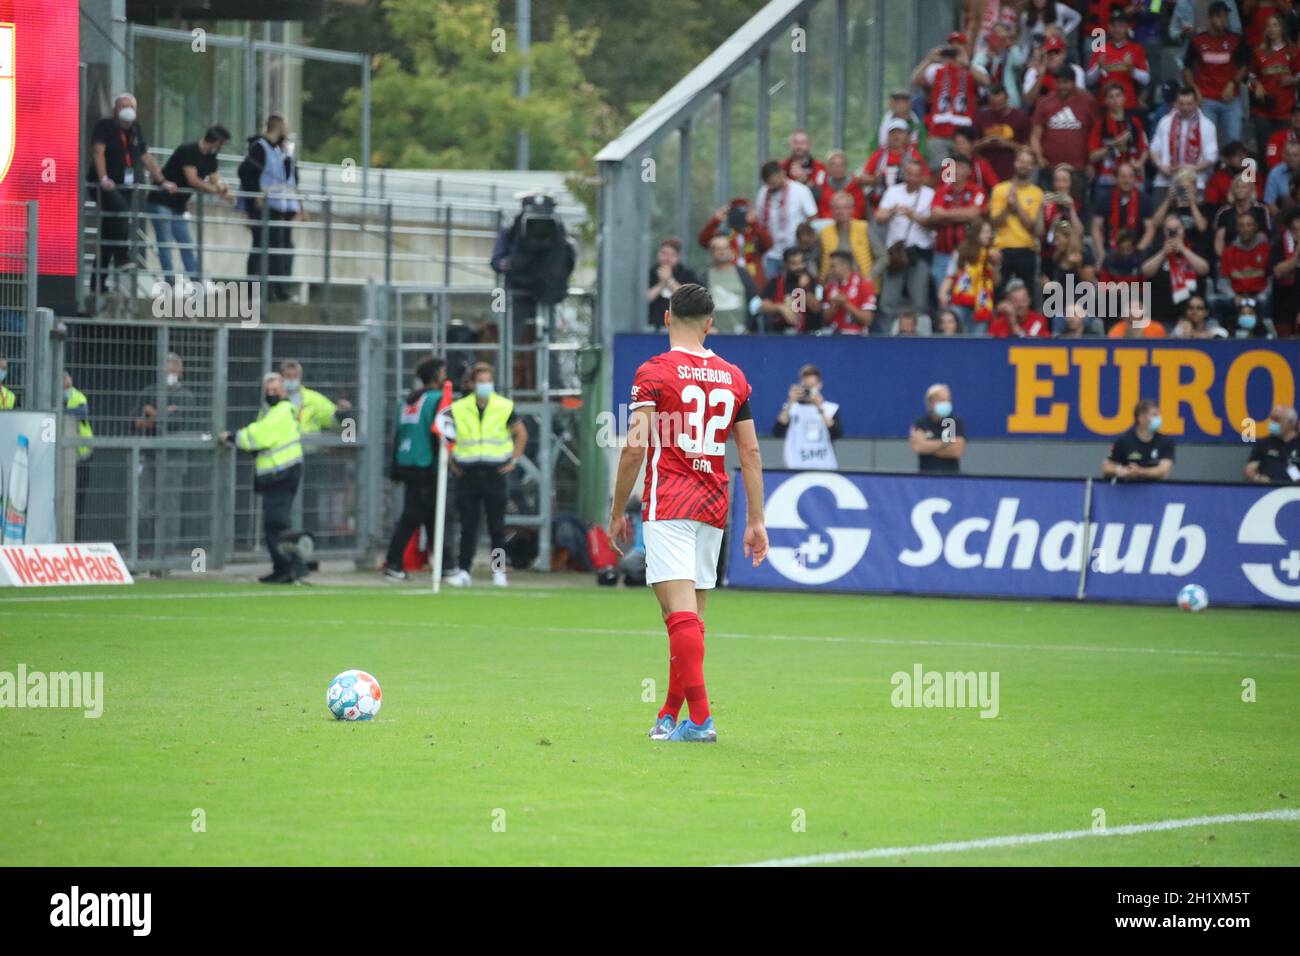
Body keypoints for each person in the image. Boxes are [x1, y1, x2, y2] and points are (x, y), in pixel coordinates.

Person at [607, 283, 768, 744]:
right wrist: (755, 520)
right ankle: (668, 714)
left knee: (679, 616)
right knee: (688, 619)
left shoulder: (654, 371)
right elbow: (751, 452)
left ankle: (700, 721)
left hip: (671, 501)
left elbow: (636, 446)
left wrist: (618, 510)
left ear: (666, 317)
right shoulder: (734, 376)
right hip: (713, 503)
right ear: (710, 324)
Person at [441, 363, 528, 588]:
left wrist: (514, 461)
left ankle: (498, 572)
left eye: (488, 381)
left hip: (494, 473)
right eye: (481, 381)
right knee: (468, 527)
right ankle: (464, 570)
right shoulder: (459, 407)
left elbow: (521, 434)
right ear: (471, 383)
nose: (485, 386)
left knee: (496, 527)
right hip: (467, 473)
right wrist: (451, 462)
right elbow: (446, 437)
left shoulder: (503, 406)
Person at [221, 372, 306, 583]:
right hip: (277, 474)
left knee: (276, 523)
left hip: (281, 473)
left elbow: (258, 436)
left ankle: (291, 566)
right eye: (268, 391)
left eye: (275, 390)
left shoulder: (281, 411)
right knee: (276, 523)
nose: (271, 394)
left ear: (284, 391)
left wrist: (232, 437)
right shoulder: (275, 412)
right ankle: (285, 567)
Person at [86, 93, 176, 291]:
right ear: (115, 109)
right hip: (105, 186)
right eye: (123, 106)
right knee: (121, 213)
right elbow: (98, 152)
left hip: (125, 187)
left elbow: (146, 157)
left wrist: (161, 180)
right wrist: (103, 178)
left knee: (109, 235)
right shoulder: (105, 126)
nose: (127, 109)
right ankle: (122, 256)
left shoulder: (136, 130)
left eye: (130, 106)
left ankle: (97, 284)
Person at [384, 357, 450, 581]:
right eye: (443, 372)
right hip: (425, 464)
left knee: (432, 516)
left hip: (407, 462)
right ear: (435, 376)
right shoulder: (437, 399)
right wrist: (441, 463)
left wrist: (394, 467)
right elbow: (438, 432)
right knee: (413, 516)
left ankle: (444, 564)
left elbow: (398, 434)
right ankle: (393, 562)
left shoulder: (409, 400)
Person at [147, 125, 232, 282]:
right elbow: (193, 180)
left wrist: (222, 188)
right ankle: (171, 282)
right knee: (165, 242)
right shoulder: (188, 150)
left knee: (186, 243)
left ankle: (196, 281)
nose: (221, 148)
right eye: (222, 144)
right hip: (161, 199)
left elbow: (215, 179)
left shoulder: (211, 157)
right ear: (216, 141)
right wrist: (215, 190)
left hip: (178, 205)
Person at [237, 112, 305, 302]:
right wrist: (256, 194)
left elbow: (290, 179)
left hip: (277, 205)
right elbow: (245, 172)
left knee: (275, 247)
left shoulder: (278, 151)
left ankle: (273, 291)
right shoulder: (260, 148)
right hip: (264, 205)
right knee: (264, 246)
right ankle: (261, 291)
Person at [876, 158, 937, 319]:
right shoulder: (893, 191)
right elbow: (879, 216)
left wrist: (912, 215)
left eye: (915, 175)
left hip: (919, 253)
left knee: (919, 300)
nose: (911, 178)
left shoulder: (930, 194)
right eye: (908, 174)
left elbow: (932, 223)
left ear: (922, 176)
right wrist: (891, 212)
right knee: (888, 301)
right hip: (896, 253)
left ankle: (921, 337)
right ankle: (886, 336)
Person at [1184, 1, 1250, 147]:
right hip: (1206, 100)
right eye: (1219, 17)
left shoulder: (1235, 40)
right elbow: (1187, 67)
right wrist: (1194, 89)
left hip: (1231, 100)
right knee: (1207, 144)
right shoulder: (1197, 40)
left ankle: (1231, 170)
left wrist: (1233, 83)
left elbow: (1244, 66)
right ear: (1210, 18)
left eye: (1225, 17)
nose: (1223, 20)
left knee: (1234, 143)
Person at [989, 147, 1046, 293]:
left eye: (1028, 163)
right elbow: (994, 222)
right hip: (1002, 250)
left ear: (1033, 167)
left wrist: (1017, 206)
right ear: (1015, 163)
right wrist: (1008, 208)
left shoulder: (1037, 193)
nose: (1024, 165)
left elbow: (1032, 227)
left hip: (1026, 249)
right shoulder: (1000, 189)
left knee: (1026, 296)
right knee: (1000, 295)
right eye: (1021, 161)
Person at [1150, 87, 1220, 198]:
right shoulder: (1165, 122)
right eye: (1182, 104)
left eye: (1189, 104)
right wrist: (1161, 166)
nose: (1185, 108)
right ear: (1176, 103)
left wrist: (1191, 169)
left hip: (1194, 183)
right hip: (1165, 182)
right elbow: (1154, 149)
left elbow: (1211, 157)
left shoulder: (1207, 125)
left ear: (1196, 103)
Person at [755, 160, 819, 279]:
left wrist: (806, 239)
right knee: (773, 288)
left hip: (796, 253)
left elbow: (813, 218)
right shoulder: (763, 193)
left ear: (782, 174)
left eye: (775, 182)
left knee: (795, 290)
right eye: (769, 183)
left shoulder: (800, 190)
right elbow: (759, 220)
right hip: (771, 253)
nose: (772, 187)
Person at [774, 364, 843, 469]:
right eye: (805, 387)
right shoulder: (792, 409)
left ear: (820, 385)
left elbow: (836, 434)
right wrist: (790, 401)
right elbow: (778, 432)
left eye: (812, 387)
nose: (808, 390)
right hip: (796, 466)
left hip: (825, 466)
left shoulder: (830, 409)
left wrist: (820, 408)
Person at [697, 198, 773, 282]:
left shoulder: (754, 233)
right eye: (735, 214)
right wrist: (716, 220)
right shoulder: (724, 234)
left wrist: (754, 223)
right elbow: (703, 241)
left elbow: (768, 244)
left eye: (742, 214)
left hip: (752, 277)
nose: (739, 217)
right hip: (729, 276)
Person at [1103, 398, 1175, 482]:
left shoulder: (1166, 442)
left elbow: (1163, 471)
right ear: (1141, 418)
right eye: (1155, 415)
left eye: (1159, 415)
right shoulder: (1123, 441)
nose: (1159, 419)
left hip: (1156, 491)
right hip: (1128, 490)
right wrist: (1118, 470)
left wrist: (1140, 471)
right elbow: (1107, 467)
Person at [702, 235, 761, 334]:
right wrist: (706, 327)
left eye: (725, 248)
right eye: (717, 249)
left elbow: (755, 301)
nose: (722, 252)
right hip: (714, 335)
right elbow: (698, 307)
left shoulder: (743, 274)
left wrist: (749, 327)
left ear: (731, 250)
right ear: (711, 253)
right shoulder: (705, 277)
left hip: (742, 334)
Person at [974, 83, 1032, 181]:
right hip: (987, 170)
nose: (997, 108)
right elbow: (972, 146)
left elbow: (1028, 149)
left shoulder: (1020, 117)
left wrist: (1008, 144)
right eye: (993, 104)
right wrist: (984, 143)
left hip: (1012, 171)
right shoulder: (981, 117)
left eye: (1000, 104)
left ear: (1007, 98)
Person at [646, 237, 702, 328]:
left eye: (672, 255)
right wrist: (661, 284)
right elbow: (643, 300)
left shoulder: (687, 275)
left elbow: (690, 300)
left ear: (678, 257)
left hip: (681, 327)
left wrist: (670, 280)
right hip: (652, 326)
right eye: (664, 254)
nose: (667, 258)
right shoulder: (649, 274)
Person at [63, 372, 94, 541]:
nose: (67, 390)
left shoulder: (78, 397)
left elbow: (81, 412)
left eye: (68, 387)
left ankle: (75, 538)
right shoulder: (53, 396)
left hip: (81, 456)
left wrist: (63, 410)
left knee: (78, 501)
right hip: (63, 458)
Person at [910, 383, 967, 473]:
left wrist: (928, 447)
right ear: (930, 403)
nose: (946, 403)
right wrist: (945, 443)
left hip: (951, 478)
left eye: (948, 400)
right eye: (942, 400)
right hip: (925, 477)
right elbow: (918, 447)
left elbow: (956, 451)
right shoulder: (920, 423)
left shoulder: (953, 422)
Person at [817, 190, 872, 279]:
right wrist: (819, 279)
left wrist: (870, 277)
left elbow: (883, 256)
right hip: (832, 283)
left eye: (845, 208)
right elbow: (813, 259)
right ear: (832, 210)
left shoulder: (864, 228)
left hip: (860, 283)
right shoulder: (824, 232)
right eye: (836, 208)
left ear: (852, 209)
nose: (840, 212)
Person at [820, 250, 878, 334]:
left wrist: (846, 304)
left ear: (845, 266)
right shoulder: (830, 286)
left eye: (833, 266)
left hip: (857, 337)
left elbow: (867, 320)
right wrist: (835, 305)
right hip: (833, 336)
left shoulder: (864, 284)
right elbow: (825, 319)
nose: (830, 270)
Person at [1244, 404, 1300, 483]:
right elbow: (1249, 469)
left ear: (1290, 423)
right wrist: (1257, 478)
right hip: (1267, 489)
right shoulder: (1263, 443)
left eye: (1277, 420)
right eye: (1271, 419)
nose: (1272, 423)